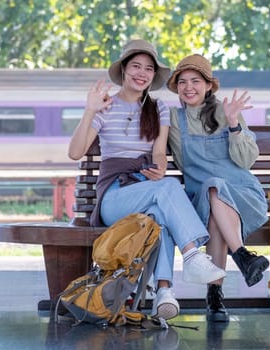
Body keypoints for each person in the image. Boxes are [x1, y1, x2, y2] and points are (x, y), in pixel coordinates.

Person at [67, 41, 226, 321]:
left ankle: (164, 292)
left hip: (146, 188)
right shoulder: (104, 107)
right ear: (124, 70)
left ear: (153, 76)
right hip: (114, 195)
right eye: (136, 66)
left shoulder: (159, 109)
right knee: (167, 190)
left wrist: (160, 169)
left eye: (149, 69)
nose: (142, 73)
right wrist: (89, 110)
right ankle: (192, 255)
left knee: (158, 218)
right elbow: (75, 152)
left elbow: (158, 153)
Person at [166, 54, 270, 322]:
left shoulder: (227, 113)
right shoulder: (174, 119)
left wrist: (234, 123)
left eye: (196, 81)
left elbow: (246, 161)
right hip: (202, 198)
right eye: (182, 82)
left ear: (209, 85)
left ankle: (215, 296)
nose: (188, 87)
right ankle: (243, 258)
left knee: (216, 196)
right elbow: (175, 157)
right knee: (213, 191)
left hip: (243, 195)